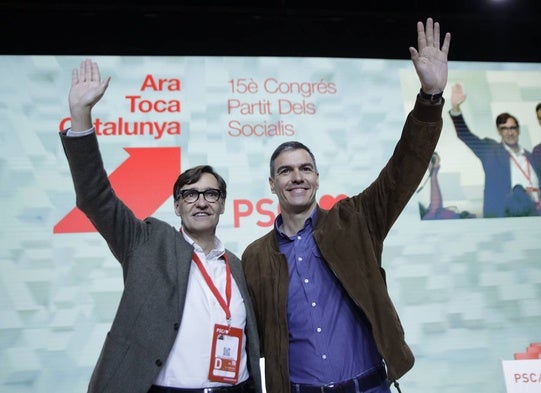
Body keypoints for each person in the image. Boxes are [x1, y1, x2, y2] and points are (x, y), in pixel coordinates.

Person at [241, 18, 451, 393]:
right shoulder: (256, 256)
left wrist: (430, 99)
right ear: (271, 184)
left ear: (318, 178)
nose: (297, 177)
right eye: (285, 171)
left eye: (306, 168)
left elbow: (403, 168)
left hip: (369, 386)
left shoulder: (355, 221)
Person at [58, 59, 262, 393]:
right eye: (190, 194)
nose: (201, 201)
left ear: (223, 204)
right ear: (177, 205)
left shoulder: (238, 267)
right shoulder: (147, 244)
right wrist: (81, 117)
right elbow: (96, 197)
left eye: (211, 193)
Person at [449, 82, 541, 218]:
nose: (509, 132)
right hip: (505, 217)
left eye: (512, 128)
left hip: (536, 215)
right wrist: (455, 108)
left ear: (518, 130)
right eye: (504, 128)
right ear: (498, 131)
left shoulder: (531, 156)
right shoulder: (490, 150)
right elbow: (465, 135)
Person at [419, 152, 476, 219]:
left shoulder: (429, 214)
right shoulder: (429, 216)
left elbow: (435, 210)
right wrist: (433, 174)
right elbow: (435, 211)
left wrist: (433, 173)